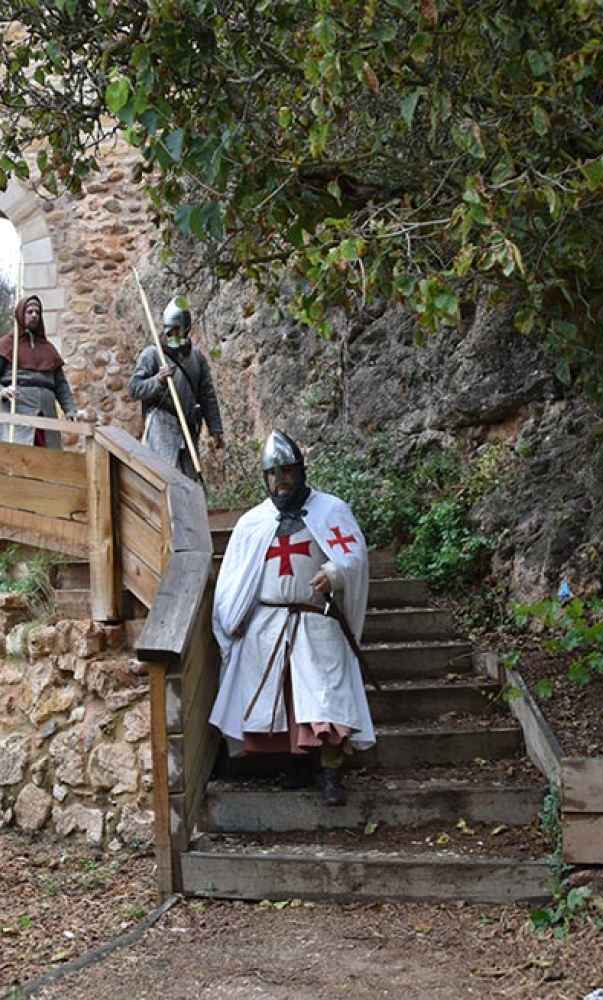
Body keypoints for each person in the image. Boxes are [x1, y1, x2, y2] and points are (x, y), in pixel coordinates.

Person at [209, 430, 373, 806]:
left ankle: (330, 772)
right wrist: (232, 617)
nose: (280, 482)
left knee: (326, 699)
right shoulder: (253, 522)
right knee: (280, 698)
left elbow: (353, 556)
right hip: (268, 624)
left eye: (287, 473)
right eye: (273, 475)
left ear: (300, 471)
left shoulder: (330, 510)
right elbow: (236, 576)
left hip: (316, 618)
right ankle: (296, 766)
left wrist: (333, 574)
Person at [129, 297, 223, 479]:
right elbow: (134, 388)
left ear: (186, 328)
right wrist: (158, 380)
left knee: (188, 482)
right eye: (168, 330)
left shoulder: (197, 358)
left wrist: (215, 428)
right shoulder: (153, 354)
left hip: (188, 427)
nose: (171, 334)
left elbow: (207, 395)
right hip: (161, 427)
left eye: (176, 330)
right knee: (163, 479)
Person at [0, 294, 80, 449]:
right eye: (30, 311)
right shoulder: (7, 344)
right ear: (21, 314)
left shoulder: (48, 348)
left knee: (48, 459)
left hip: (47, 416)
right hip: (18, 412)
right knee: (17, 456)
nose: (34, 315)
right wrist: (1, 391)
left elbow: (61, 385)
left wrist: (70, 409)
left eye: (37, 312)